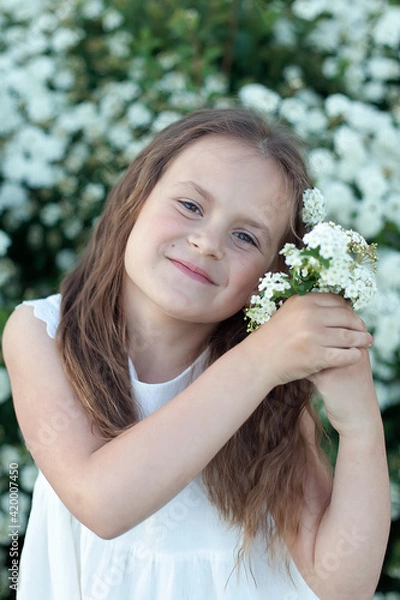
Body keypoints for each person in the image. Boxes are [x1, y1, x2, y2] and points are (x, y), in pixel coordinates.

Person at [3, 107, 390, 600]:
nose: (207, 242)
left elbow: (341, 586)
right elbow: (102, 504)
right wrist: (263, 358)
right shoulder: (44, 333)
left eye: (246, 237)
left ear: (268, 278)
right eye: (190, 205)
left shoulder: (270, 390)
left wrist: (359, 422)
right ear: (136, 198)